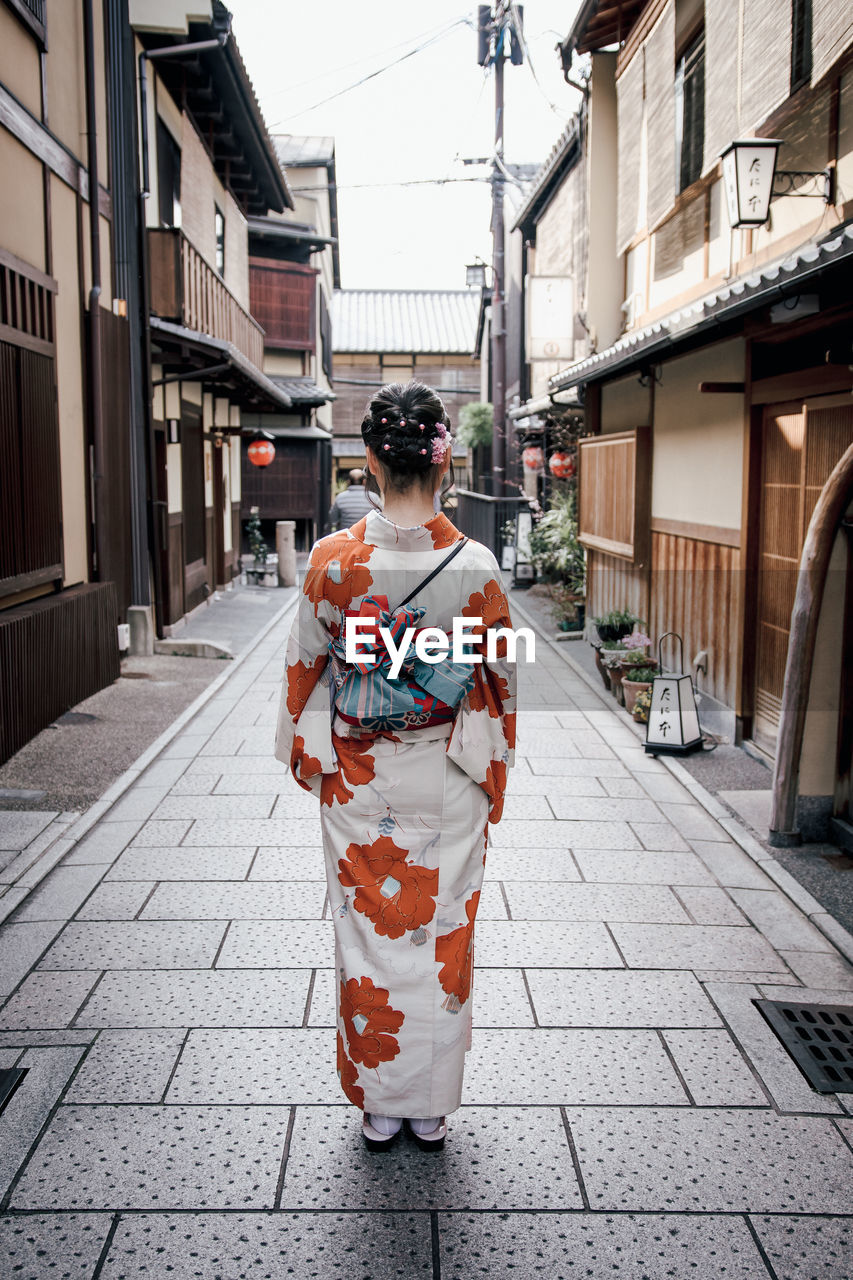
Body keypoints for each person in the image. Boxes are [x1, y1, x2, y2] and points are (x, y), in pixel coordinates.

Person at [275, 380, 516, 1153]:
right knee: (444, 934)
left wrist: (319, 758)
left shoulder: (332, 559)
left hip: (358, 779)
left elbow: (304, 669)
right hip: (448, 773)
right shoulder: (474, 564)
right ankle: (431, 1105)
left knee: (368, 937)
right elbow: (500, 682)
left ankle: (381, 1105)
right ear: (440, 463)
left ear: (371, 460)